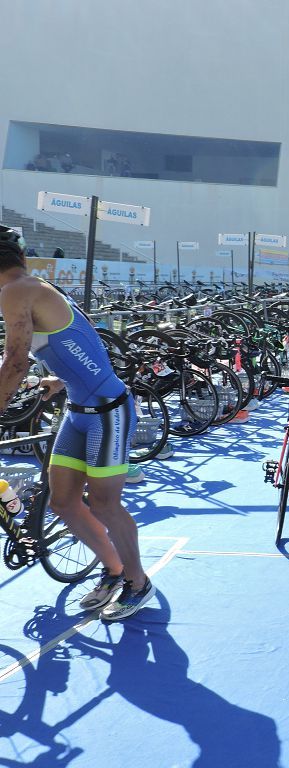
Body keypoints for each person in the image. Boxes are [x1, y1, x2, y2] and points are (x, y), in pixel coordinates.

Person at [0, 225, 152, 621]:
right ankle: (114, 570)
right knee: (64, 501)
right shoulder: (32, 285)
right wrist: (61, 378)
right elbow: (81, 341)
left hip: (107, 410)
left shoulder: (15, 291)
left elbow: (15, 361)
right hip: (80, 407)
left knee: (104, 503)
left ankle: (138, 581)